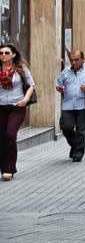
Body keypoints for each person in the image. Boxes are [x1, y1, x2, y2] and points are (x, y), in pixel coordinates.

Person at [56, 50, 85, 162]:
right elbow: (59, 83)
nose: (74, 62)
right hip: (68, 105)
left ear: (82, 59)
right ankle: (75, 146)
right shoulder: (66, 71)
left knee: (82, 131)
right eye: (71, 60)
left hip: (84, 105)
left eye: (76, 60)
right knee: (66, 127)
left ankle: (78, 153)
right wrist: (59, 88)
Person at [0, 44, 35, 180]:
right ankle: (4, 167)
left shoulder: (21, 69)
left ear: (13, 55)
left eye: (7, 53)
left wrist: (25, 99)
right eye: (1, 53)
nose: (3, 55)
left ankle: (9, 168)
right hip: (1, 106)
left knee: (10, 134)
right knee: (2, 137)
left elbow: (31, 85)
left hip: (17, 106)